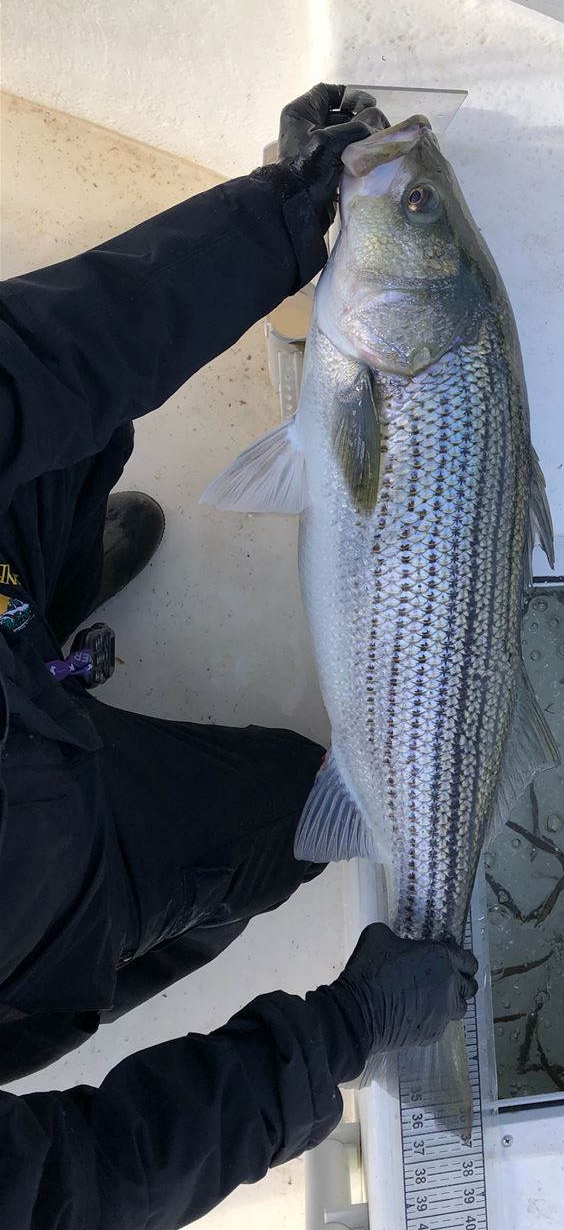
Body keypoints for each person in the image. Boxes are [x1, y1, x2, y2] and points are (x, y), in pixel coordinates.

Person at [0, 84, 478, 1229]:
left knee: (75, 422)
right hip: (46, 882)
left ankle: (33, 614)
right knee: (289, 809)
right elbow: (75, 1186)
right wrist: (345, 1029)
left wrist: (281, 214)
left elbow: (47, 353)